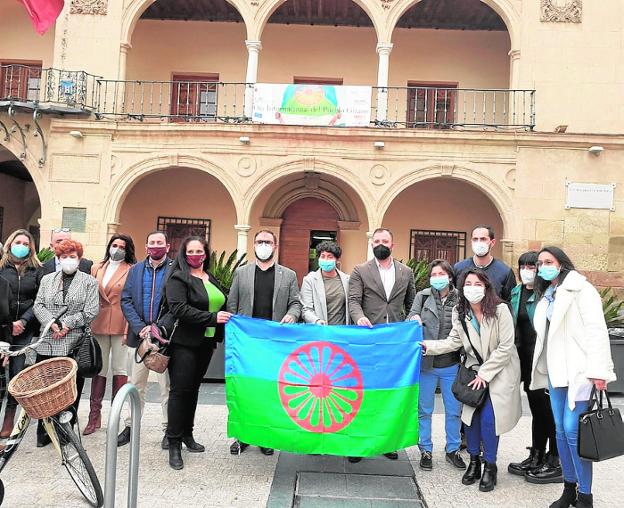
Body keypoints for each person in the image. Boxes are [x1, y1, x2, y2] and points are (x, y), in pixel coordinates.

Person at [421, 268, 521, 492]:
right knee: (471, 420)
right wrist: (428, 347)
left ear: (486, 287)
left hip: (499, 371)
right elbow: (453, 341)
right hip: (473, 371)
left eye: (477, 284)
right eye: (468, 284)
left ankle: (490, 466)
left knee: (488, 419)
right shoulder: (460, 311)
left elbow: (506, 347)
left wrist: (485, 375)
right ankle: (474, 461)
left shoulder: (501, 309)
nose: (472, 288)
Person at [531, 247, 616, 508]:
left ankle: (585, 496)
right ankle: (569, 489)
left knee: (572, 430)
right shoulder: (547, 294)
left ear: (561, 264)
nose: (543, 266)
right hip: (556, 373)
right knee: (559, 430)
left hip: (580, 372)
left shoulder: (582, 289)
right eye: (540, 263)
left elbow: (596, 331)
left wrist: (599, 371)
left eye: (549, 261)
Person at [227, 229, 301, 456]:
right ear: (253, 245)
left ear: (275, 246)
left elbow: (296, 304)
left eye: (267, 241)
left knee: (270, 390)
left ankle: (266, 437)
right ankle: (242, 437)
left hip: (275, 345)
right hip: (248, 344)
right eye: (259, 241)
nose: (263, 245)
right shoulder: (242, 273)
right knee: (245, 390)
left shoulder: (288, 275)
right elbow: (232, 304)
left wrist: (292, 315)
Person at [164, 236, 231, 470]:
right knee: (179, 392)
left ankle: (187, 435)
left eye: (199, 251)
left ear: (206, 253)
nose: (195, 255)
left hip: (206, 343)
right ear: (184, 254)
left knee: (193, 391)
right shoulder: (178, 278)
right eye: (190, 251)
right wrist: (212, 318)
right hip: (184, 343)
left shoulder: (210, 278)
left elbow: (221, 302)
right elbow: (179, 309)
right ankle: (172, 443)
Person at [349, 227, 416, 461]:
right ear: (371, 244)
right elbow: (354, 300)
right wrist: (359, 318)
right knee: (363, 393)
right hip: (367, 342)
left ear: (392, 245)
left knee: (388, 393)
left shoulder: (406, 272)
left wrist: (411, 322)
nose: (380, 244)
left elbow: (412, 303)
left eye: (385, 240)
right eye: (376, 240)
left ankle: (387, 442)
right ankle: (358, 443)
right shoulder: (360, 270)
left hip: (395, 344)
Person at [33, 239, 99, 443]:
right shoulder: (47, 279)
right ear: (58, 259)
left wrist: (67, 324)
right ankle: (44, 431)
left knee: (70, 389)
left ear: (79, 259)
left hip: (74, 341)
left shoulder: (89, 282)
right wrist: (51, 323)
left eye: (72, 257)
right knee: (45, 387)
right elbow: (38, 305)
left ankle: (66, 431)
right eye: (64, 257)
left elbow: (91, 310)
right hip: (49, 339)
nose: (68, 260)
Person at [508, 251, 562, 483]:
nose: (527, 270)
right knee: (537, 411)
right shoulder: (516, 292)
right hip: (523, 361)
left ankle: (555, 458)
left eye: (533, 266)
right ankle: (537, 454)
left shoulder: (547, 295)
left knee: (549, 412)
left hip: (543, 362)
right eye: (523, 266)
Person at [407, 259, 464, 471]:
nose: (437, 278)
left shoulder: (460, 297)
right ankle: (426, 449)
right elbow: (411, 316)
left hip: (451, 364)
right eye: (434, 275)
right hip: (426, 364)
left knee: (453, 410)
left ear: (450, 277)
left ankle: (453, 449)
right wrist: (413, 317)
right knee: (424, 409)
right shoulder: (422, 297)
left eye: (441, 274)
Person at [117, 231, 173, 449]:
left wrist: (158, 327)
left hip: (165, 339)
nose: (155, 246)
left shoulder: (175, 269)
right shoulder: (136, 270)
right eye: (152, 243)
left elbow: (176, 304)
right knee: (136, 384)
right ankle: (131, 426)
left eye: (160, 243)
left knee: (166, 387)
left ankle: (168, 430)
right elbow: (126, 300)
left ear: (167, 246)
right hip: (138, 337)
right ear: (146, 245)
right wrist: (140, 327)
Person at [83, 234, 136, 436]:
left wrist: (128, 329)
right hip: (99, 323)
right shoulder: (96, 267)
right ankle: (94, 416)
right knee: (100, 369)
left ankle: (116, 415)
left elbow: (131, 299)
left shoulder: (131, 270)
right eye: (114, 245)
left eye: (122, 246)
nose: (117, 249)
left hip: (121, 323)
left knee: (119, 369)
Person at [0, 229, 43, 441]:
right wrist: (8, 323)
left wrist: (23, 321)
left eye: (26, 243)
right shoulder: (1, 267)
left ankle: (9, 421)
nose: (22, 246)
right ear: (10, 244)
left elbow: (38, 300)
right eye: (18, 242)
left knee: (16, 376)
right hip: (2, 329)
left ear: (31, 248)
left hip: (24, 330)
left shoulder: (36, 270)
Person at [454, 225, 516, 301]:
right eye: (475, 239)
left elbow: (510, 302)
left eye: (483, 239)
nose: (478, 242)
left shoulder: (505, 272)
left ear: (492, 242)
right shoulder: (459, 268)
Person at [300, 241, 350, 325]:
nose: (325, 260)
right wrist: (316, 320)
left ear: (336, 260)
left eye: (330, 257)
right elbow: (306, 309)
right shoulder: (310, 280)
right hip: (319, 331)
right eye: (322, 256)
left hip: (341, 331)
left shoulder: (347, 280)